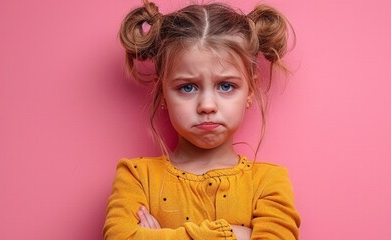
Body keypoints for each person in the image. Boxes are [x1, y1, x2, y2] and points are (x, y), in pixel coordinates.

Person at [104, 1, 300, 239]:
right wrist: (233, 235)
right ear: (163, 91)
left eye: (226, 86)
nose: (207, 105)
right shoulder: (136, 176)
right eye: (187, 87)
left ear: (249, 91)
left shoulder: (269, 182)